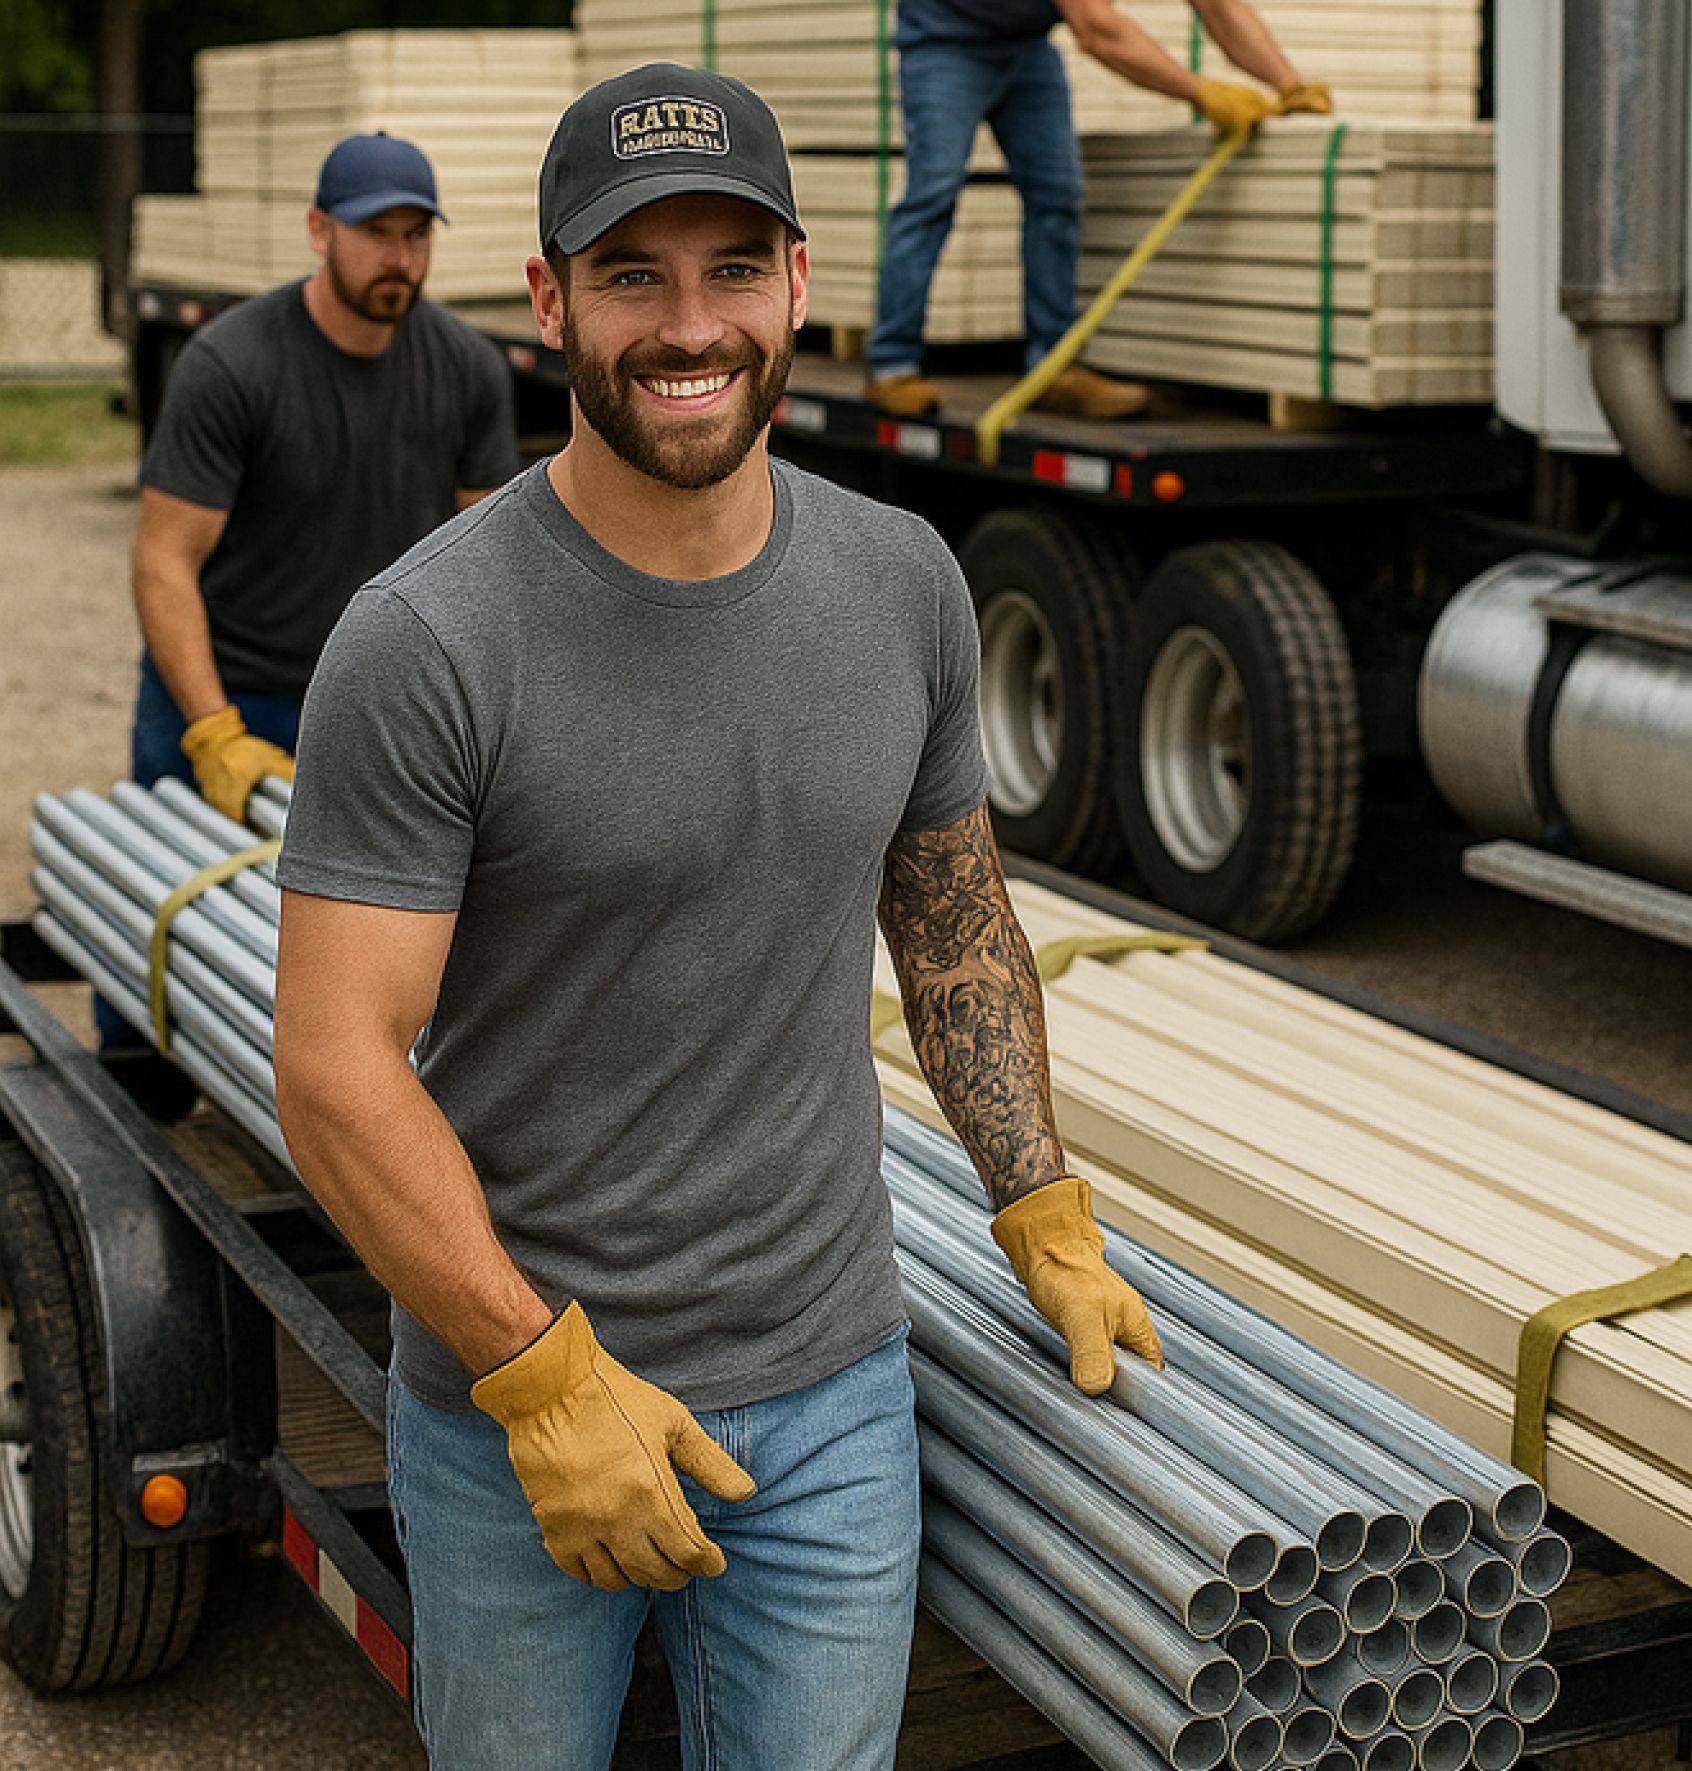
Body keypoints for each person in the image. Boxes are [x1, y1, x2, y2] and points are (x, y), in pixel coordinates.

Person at [271, 61, 1162, 1771]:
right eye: (631, 275)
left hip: (828, 1393)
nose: (690, 326)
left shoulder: (902, 583)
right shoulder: (431, 642)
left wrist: (1036, 1192)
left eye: (731, 270)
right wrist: (537, 1378)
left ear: (799, 284)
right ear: (546, 301)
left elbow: (953, 919)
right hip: (509, 1411)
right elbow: (334, 1066)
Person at [130, 130, 518, 825]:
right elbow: (164, 559)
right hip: (228, 693)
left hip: (376, 709)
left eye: (417, 234)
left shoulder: (467, 370)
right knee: (183, 909)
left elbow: (486, 567)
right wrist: (215, 731)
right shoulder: (231, 365)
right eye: (374, 232)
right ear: (319, 230)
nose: (400, 258)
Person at [865, 0, 1332, 419]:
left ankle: (1053, 367)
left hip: (1026, 47)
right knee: (934, 193)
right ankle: (892, 365)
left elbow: (1220, 7)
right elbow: (1098, 32)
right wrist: (1200, 92)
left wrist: (1287, 83)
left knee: (1057, 195)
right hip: (945, 41)